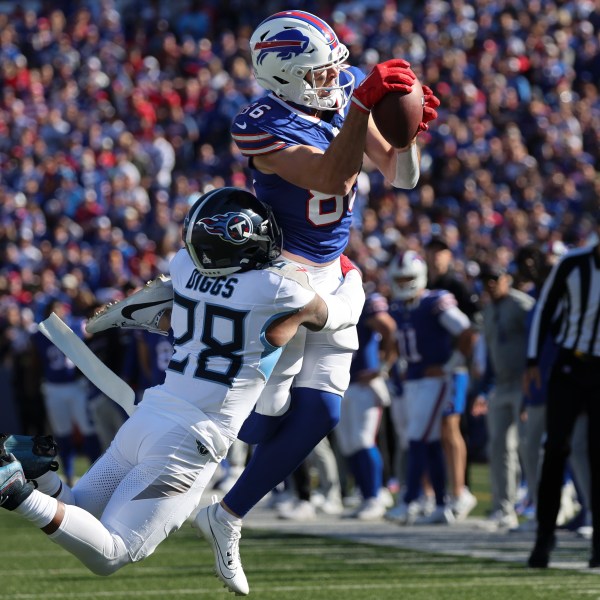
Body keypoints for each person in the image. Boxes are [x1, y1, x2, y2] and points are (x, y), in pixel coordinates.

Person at [87, 9, 440, 592]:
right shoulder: (259, 122)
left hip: (334, 272)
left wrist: (405, 139)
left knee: (323, 412)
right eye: (321, 73)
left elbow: (399, 177)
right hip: (280, 279)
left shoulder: (339, 92)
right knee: (262, 425)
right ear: (285, 75)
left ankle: (225, 515)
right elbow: (328, 177)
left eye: (335, 72)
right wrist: (359, 111)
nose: (335, 81)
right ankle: (181, 325)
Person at [0, 187, 365, 597]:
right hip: (192, 440)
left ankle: (37, 471)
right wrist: (349, 272)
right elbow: (344, 314)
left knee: (77, 510)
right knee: (112, 553)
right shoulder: (278, 288)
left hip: (151, 415)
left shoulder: (184, 266)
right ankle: (16, 491)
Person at [526, 218, 600, 569]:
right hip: (570, 365)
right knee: (555, 450)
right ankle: (544, 536)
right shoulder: (573, 263)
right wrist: (532, 360)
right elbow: (545, 308)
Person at [384, 250, 475, 525]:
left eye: (408, 278)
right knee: (431, 441)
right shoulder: (399, 308)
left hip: (436, 379)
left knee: (417, 438)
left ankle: (410, 500)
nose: (403, 283)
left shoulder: (434, 302)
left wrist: (450, 366)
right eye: (399, 278)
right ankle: (439, 504)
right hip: (413, 379)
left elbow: (466, 330)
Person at [471, 263, 535, 530]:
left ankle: (539, 506)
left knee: (529, 447)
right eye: (486, 279)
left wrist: (534, 381)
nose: (490, 283)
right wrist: (484, 391)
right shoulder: (488, 309)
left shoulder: (523, 305)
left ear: (507, 278)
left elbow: (537, 340)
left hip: (524, 383)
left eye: (495, 278)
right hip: (501, 384)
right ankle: (503, 509)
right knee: (498, 448)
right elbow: (492, 354)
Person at [424, 236, 481, 519]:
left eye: (441, 251)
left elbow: (471, 328)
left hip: (451, 368)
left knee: (452, 427)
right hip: (430, 369)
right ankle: (435, 492)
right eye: (432, 251)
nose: (436, 257)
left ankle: (461, 490)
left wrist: (455, 362)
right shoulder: (426, 285)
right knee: (431, 431)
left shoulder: (455, 286)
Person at [335, 289, 398, 520]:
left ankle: (375, 496)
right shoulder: (333, 300)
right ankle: (365, 495)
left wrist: (383, 367)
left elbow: (388, 326)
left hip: (365, 384)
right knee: (349, 445)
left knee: (363, 440)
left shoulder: (367, 301)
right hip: (344, 384)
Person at [31, 299, 101, 486]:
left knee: (88, 429)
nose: (57, 315)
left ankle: (95, 472)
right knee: (63, 433)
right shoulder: (40, 334)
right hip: (53, 387)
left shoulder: (74, 327)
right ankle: (69, 475)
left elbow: (89, 332)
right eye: (53, 311)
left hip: (76, 385)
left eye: (59, 310)